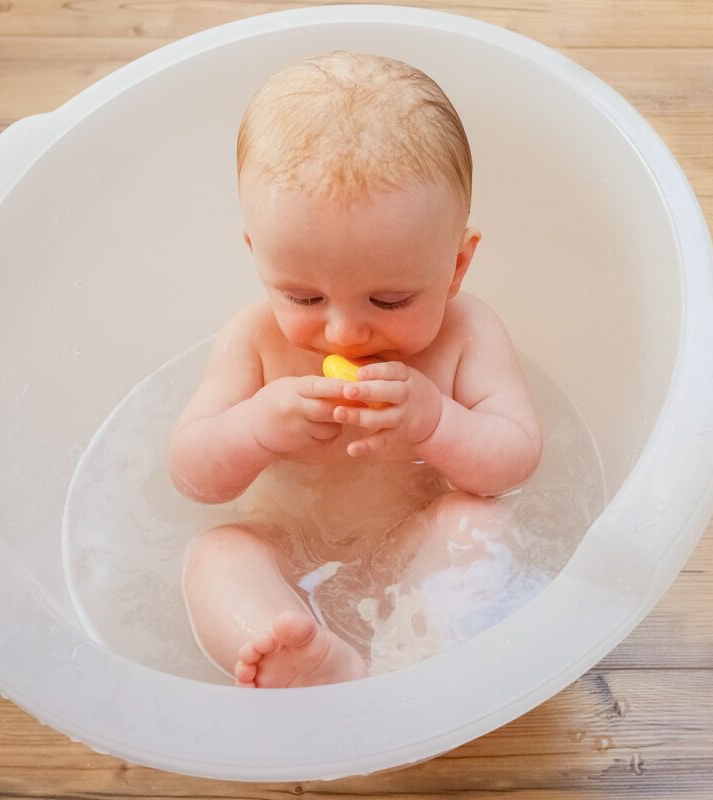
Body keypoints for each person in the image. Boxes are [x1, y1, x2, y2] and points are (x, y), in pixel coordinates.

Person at [167, 51, 542, 688]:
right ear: (258, 257)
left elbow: (514, 463)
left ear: (455, 266)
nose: (343, 331)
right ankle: (301, 654)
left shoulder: (466, 334)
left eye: (389, 300)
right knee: (217, 554)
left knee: (478, 524)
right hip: (284, 547)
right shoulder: (254, 338)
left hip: (412, 549)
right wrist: (256, 428)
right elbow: (192, 475)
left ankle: (422, 662)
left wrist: (436, 422)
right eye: (303, 298)